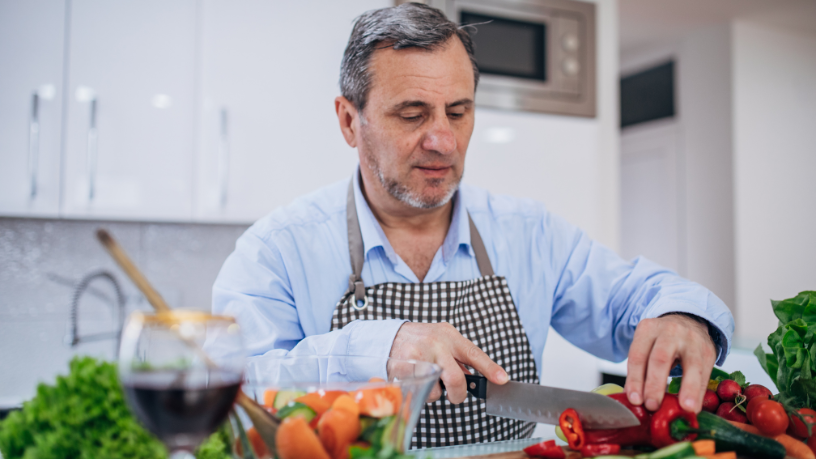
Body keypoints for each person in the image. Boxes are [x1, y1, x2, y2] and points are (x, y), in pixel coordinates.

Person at [213, 2, 734, 448]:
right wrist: (375, 348)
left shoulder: (528, 233)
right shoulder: (276, 250)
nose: (443, 140)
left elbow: (632, 299)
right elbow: (233, 391)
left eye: (458, 112)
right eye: (413, 114)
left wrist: (682, 317)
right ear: (350, 121)